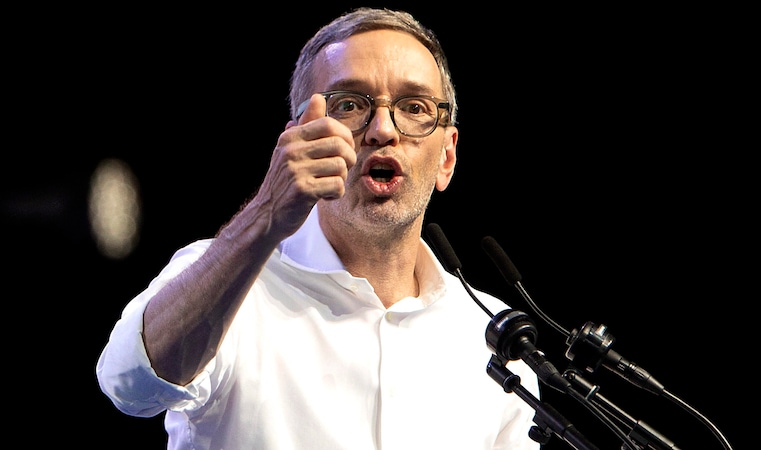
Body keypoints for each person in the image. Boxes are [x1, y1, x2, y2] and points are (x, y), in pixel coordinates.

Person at [96, 7, 540, 449]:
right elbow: (130, 386)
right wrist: (265, 213)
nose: (383, 129)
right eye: (350, 105)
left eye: (414, 107)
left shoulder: (495, 341)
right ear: (299, 140)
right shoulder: (228, 284)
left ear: (446, 157)